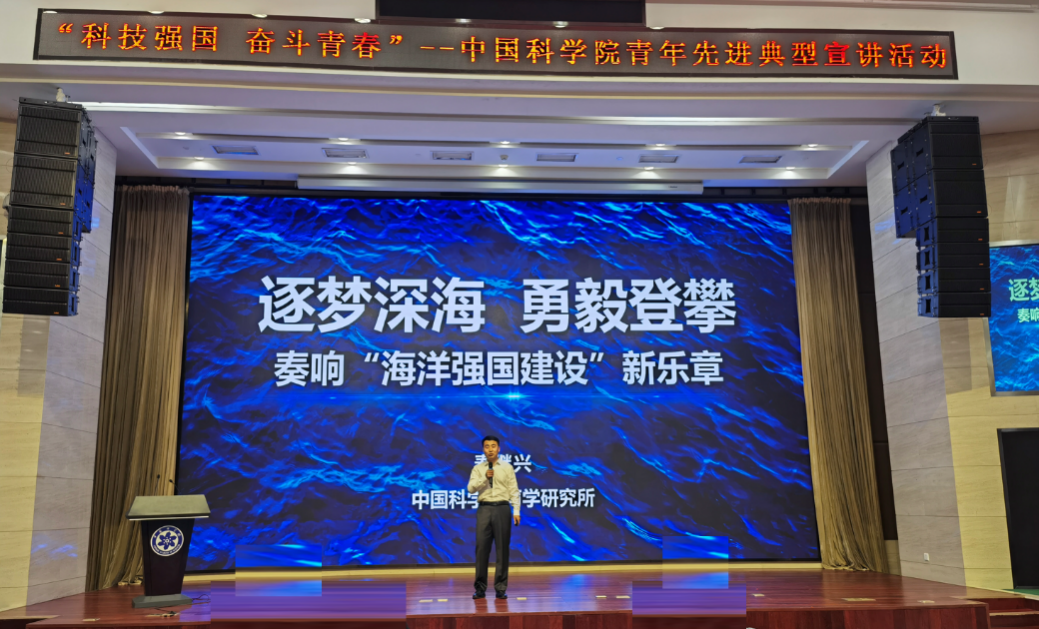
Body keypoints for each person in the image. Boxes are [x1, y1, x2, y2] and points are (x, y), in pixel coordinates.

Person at [467, 435, 521, 600]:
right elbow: (470, 489)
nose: (490, 449)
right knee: (481, 549)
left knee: (502, 549)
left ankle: (501, 588)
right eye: (487, 446)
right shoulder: (478, 468)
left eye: (493, 446)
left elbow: (514, 489)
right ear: (483, 449)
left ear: (499, 449)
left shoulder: (507, 467)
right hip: (484, 509)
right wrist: (485, 477)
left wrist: (516, 510)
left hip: (502, 508)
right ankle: (480, 588)